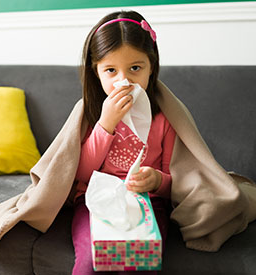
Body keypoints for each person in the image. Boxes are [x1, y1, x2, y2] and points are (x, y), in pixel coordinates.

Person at [72, 10, 174, 274]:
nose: (124, 81)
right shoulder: (92, 115)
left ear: (152, 68)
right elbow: (80, 172)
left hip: (148, 202)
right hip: (95, 201)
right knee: (89, 263)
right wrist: (106, 124)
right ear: (96, 73)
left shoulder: (164, 119)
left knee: (138, 261)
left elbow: (179, 179)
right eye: (110, 70)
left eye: (135, 68)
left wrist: (156, 180)